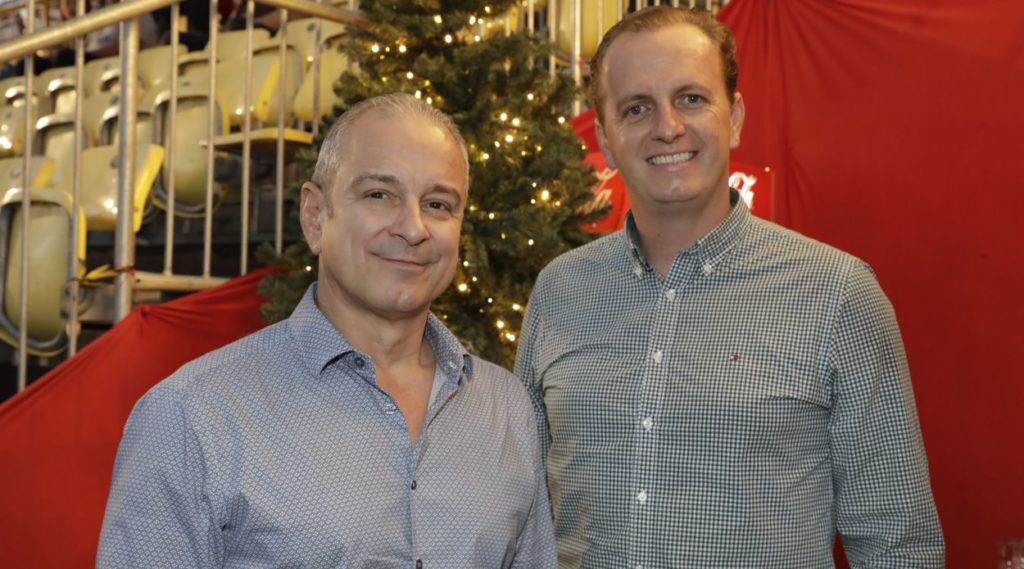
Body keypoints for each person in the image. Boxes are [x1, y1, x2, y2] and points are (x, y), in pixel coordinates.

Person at [515, 6, 944, 568]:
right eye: (636, 108)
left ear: (735, 117)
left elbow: (898, 545)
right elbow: (520, 516)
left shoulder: (837, 295)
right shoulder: (558, 290)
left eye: (691, 98)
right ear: (606, 138)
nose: (668, 126)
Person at [98, 93, 557, 568]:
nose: (413, 228)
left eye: (438, 204)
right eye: (379, 195)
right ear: (315, 216)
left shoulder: (506, 408)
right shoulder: (192, 416)